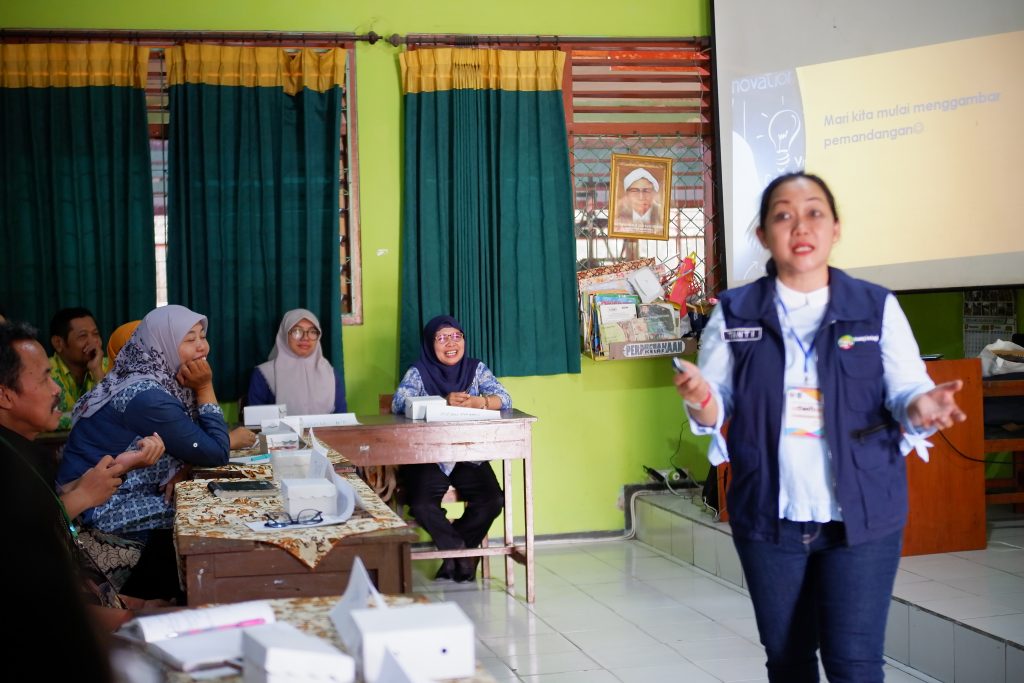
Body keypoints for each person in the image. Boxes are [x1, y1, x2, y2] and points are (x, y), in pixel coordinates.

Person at [674, 172, 966, 683]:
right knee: (788, 663)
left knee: (854, 665)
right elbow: (713, 406)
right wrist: (701, 400)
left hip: (862, 517)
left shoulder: (875, 307)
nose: (799, 225)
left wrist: (926, 407)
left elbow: (907, 392)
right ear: (764, 235)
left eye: (814, 213)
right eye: (782, 215)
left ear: (835, 229)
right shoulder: (735, 313)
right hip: (770, 516)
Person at [57, 305, 255, 599]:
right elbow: (216, 453)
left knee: (217, 500)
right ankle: (218, 597)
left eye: (202, 335)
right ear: (161, 343)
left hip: (125, 492)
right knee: (214, 515)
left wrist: (187, 463)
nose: (202, 346)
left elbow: (198, 443)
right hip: (99, 511)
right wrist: (205, 387)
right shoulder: (146, 396)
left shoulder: (158, 380)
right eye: (189, 339)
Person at [0, 321, 166, 635]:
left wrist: (121, 466)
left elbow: (43, 502)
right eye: (46, 377)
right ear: (5, 395)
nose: (57, 389)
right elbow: (19, 555)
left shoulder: (28, 450)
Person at [391, 315, 510, 582]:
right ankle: (461, 553)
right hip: (427, 456)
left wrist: (480, 402)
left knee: (493, 499)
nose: (451, 343)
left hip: (468, 455)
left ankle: (455, 555)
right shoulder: (418, 371)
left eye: (456, 336)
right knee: (421, 504)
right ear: (429, 344)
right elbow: (398, 403)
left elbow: (505, 398)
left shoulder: (476, 369)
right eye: (442, 337)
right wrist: (442, 402)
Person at [247, 308, 346, 414]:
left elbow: (342, 420)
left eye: (312, 332)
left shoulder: (331, 374)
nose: (305, 338)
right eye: (297, 331)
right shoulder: (264, 374)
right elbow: (255, 424)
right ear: (284, 335)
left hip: (327, 431)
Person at [49, 307, 110, 430]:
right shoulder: (44, 372)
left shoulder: (110, 366)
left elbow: (116, 413)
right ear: (58, 343)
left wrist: (97, 371)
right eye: (82, 336)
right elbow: (45, 419)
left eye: (96, 334)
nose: (93, 343)